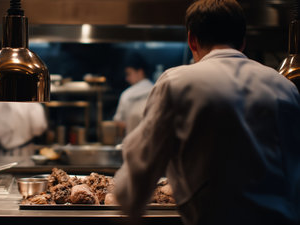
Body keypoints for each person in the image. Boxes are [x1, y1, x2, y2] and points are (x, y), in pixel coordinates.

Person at [113, 1, 300, 225]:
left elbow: (136, 179)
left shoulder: (177, 82)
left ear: (192, 39)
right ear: (242, 41)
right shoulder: (283, 86)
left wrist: (127, 202)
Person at [113, 54, 154, 135]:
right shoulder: (157, 90)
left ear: (140, 72)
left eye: (129, 74)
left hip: (132, 141)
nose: (127, 78)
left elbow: (118, 121)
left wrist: (132, 126)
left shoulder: (127, 94)